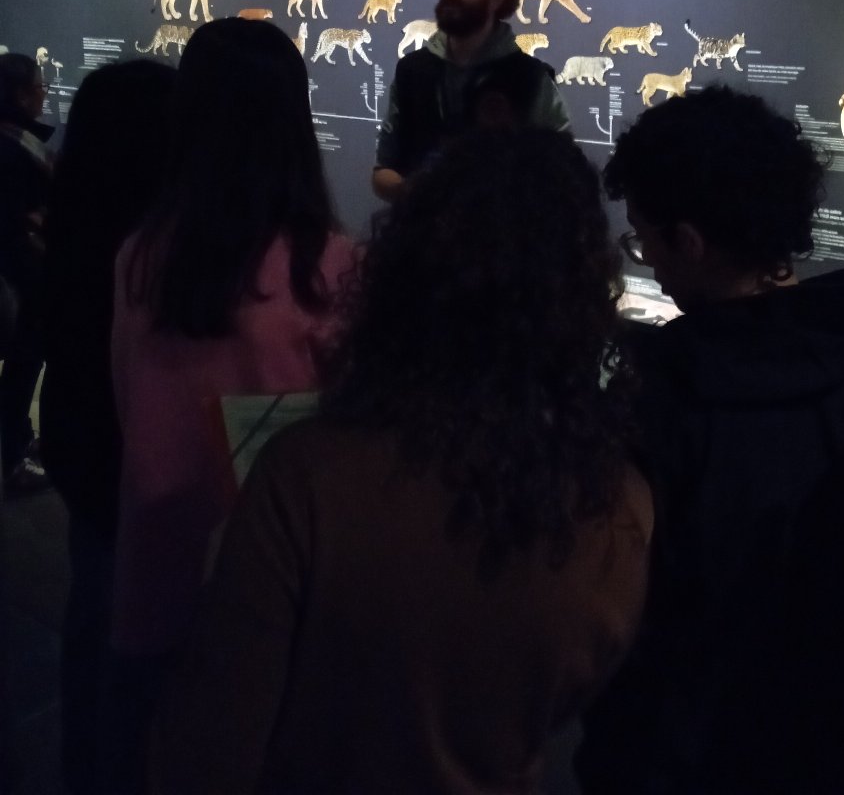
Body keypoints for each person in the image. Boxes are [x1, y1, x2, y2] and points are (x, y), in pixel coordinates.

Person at [153, 128, 653, 795]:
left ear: (405, 274)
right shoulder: (619, 507)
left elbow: (213, 747)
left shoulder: (305, 477)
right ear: (585, 293)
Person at [575, 85, 844, 795]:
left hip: (663, 760)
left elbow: (611, 606)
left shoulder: (659, 406)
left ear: (689, 243)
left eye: (644, 240)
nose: (646, 258)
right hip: (814, 752)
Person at [109, 19, 355, 788]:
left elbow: (129, 402)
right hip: (282, 577)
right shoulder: (331, 265)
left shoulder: (142, 253)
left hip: (159, 557)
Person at [37, 59, 177, 795]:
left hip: (80, 449)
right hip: (137, 463)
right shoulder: (156, 252)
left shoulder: (71, 227)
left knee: (93, 613)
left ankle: (84, 765)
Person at [371, 0, 570, 202]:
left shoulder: (530, 80)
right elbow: (383, 169)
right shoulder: (412, 71)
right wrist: (416, 193)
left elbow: (564, 178)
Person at [0, 52, 55, 493]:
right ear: (20, 96)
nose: (44, 94)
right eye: (39, 87)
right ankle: (13, 458)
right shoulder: (14, 150)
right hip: (21, 274)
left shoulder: (17, 141)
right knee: (23, 363)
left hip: (23, 271)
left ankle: (20, 439)